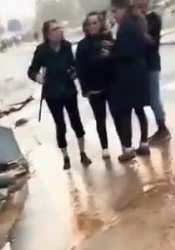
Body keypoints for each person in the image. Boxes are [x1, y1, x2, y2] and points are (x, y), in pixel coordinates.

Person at [28, 19, 91, 170]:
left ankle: (82, 153)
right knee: (60, 124)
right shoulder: (41, 51)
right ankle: (65, 157)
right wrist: (38, 78)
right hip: (52, 94)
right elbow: (31, 70)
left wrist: (74, 72)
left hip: (69, 91)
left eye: (60, 28)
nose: (60, 31)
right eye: (55, 29)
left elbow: (74, 65)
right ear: (48, 34)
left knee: (76, 121)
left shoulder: (67, 46)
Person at [109, 0, 150, 162]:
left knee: (126, 110)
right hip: (138, 71)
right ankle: (144, 143)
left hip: (129, 74)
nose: (113, 15)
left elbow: (127, 51)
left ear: (122, 9)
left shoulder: (127, 26)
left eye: (114, 11)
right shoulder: (134, 22)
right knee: (139, 109)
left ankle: (128, 148)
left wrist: (112, 51)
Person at [76, 12, 114, 160]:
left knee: (118, 116)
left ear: (100, 24)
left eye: (95, 23)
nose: (92, 26)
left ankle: (126, 145)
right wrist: (85, 90)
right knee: (100, 119)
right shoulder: (82, 45)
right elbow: (80, 69)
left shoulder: (107, 40)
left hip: (111, 85)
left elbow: (115, 60)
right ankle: (105, 147)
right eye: (89, 23)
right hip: (94, 89)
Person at [134, 0, 171, 143]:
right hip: (140, 66)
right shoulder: (135, 19)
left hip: (152, 64)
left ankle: (163, 128)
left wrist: (139, 25)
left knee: (154, 98)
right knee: (146, 99)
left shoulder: (153, 18)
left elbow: (151, 41)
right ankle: (155, 129)